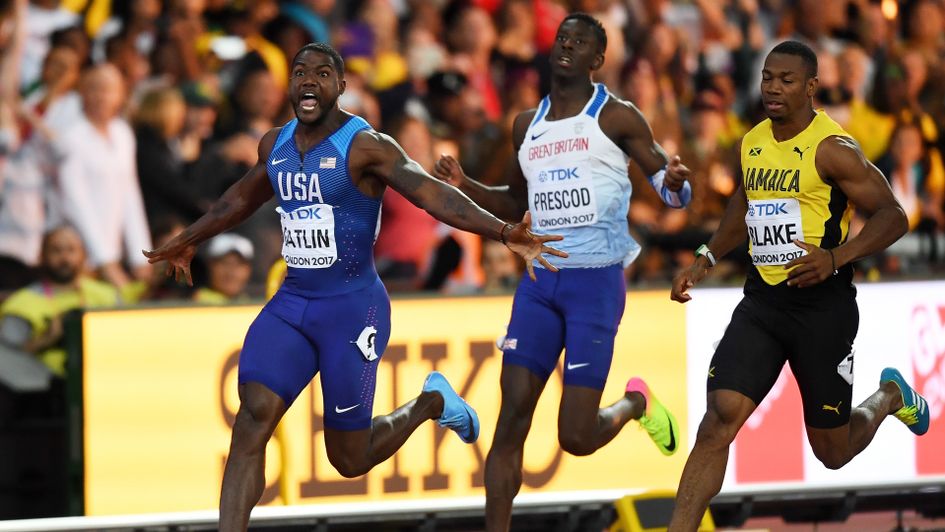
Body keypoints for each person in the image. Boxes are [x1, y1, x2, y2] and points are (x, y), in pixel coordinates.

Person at [142, 42, 565, 532]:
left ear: (341, 87)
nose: (308, 81)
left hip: (352, 309)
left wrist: (504, 231)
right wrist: (188, 240)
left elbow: (433, 195)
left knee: (349, 458)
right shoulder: (274, 144)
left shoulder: (366, 146)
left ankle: (430, 402)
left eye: (322, 74)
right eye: (300, 72)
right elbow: (240, 198)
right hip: (293, 303)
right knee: (252, 418)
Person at [433, 13, 691, 531]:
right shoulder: (526, 124)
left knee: (575, 436)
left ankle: (636, 403)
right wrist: (465, 183)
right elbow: (515, 201)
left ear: (597, 60)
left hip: (595, 284)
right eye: (561, 38)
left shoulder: (616, 116)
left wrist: (678, 182)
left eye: (580, 42)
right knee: (511, 421)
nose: (566, 46)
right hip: (539, 283)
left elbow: (671, 189)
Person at [667, 41, 929, 531]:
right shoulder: (752, 142)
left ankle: (889, 397)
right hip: (763, 301)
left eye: (786, 80)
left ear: (811, 86)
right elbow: (743, 206)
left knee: (832, 451)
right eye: (767, 77)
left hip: (821, 309)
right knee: (718, 419)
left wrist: (836, 257)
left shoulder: (834, 149)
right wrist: (704, 258)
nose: (772, 87)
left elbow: (894, 216)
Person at [0, 225, 120, 377]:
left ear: (84, 255)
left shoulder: (108, 296)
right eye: (56, 250)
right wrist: (45, 339)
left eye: (71, 250)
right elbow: (8, 362)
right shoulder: (21, 304)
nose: (64, 258)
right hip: (43, 390)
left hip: (104, 378)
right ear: (41, 256)